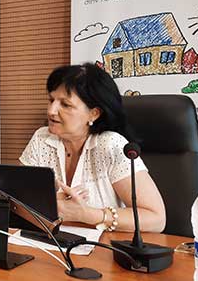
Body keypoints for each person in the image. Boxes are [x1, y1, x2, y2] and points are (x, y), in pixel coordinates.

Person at [19, 63, 166, 232]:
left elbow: (156, 219)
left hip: (104, 245)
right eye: (51, 100)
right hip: (48, 241)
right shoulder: (41, 138)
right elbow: (16, 200)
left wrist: (87, 214)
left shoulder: (112, 145)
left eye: (65, 104)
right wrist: (51, 203)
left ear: (94, 113)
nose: (51, 111)